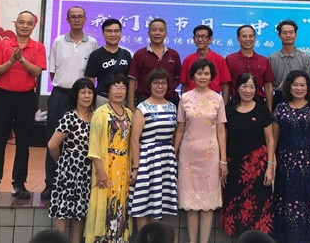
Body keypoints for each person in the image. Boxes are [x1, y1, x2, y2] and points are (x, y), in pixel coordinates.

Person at [0, 10, 47, 202]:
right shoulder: (4, 44)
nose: (25, 26)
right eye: (21, 22)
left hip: (26, 98)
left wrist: (22, 59)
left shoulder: (38, 47)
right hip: (4, 97)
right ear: (15, 24)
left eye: (29, 23)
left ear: (34, 26)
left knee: (23, 143)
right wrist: (10, 61)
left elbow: (36, 72)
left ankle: (19, 183)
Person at [43, 6, 98, 200]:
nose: (76, 19)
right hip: (60, 94)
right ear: (67, 20)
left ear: (85, 19)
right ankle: (51, 183)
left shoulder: (92, 43)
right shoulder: (58, 42)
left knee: (81, 141)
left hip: (82, 96)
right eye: (73, 17)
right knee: (54, 138)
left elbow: (92, 73)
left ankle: (79, 182)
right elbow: (52, 72)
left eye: (80, 16)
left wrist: (82, 94)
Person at [272, 70, 310, 243]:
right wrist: (272, 163)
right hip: (286, 167)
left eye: (303, 85)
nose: (299, 88)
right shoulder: (280, 109)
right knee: (288, 206)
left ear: (308, 87)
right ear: (289, 87)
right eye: (295, 85)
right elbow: (274, 139)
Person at [174, 58, 227, 243]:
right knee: (190, 206)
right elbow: (180, 128)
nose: (203, 77)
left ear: (212, 76)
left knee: (207, 206)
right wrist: (174, 152)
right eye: (199, 73)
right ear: (193, 76)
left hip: (210, 158)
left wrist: (223, 159)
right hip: (188, 157)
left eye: (206, 73)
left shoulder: (218, 99)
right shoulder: (185, 98)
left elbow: (221, 130)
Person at [220, 73, 274, 236]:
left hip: (258, 168)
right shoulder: (228, 110)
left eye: (252, 87)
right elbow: (224, 137)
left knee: (257, 208)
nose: (248, 91)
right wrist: (223, 162)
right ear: (237, 88)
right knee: (235, 206)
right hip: (234, 168)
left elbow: (270, 139)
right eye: (244, 86)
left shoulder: (262, 110)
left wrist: (270, 166)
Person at [84, 74, 133, 243]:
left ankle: (119, 239)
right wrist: (100, 170)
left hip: (124, 167)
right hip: (106, 166)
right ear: (108, 91)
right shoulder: (100, 113)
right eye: (115, 87)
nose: (119, 91)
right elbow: (94, 144)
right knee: (105, 204)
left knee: (121, 204)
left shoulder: (129, 114)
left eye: (122, 87)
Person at [128, 68, 178, 231]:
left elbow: (174, 135)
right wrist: (136, 167)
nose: (160, 86)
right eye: (156, 82)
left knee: (158, 202)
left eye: (163, 83)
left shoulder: (172, 107)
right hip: (147, 160)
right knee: (142, 202)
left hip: (165, 159)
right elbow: (134, 139)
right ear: (149, 85)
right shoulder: (142, 108)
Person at [47, 77, 95, 243]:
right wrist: (62, 162)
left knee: (81, 211)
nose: (87, 96)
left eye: (90, 92)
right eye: (83, 92)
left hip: (87, 171)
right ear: (76, 95)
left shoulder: (96, 117)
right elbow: (52, 145)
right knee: (63, 210)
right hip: (69, 171)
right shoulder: (69, 117)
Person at [129, 18, 181, 109]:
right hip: (144, 101)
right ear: (148, 33)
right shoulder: (139, 54)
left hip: (168, 102)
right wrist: (130, 105)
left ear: (166, 34)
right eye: (154, 30)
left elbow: (177, 78)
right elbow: (133, 81)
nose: (157, 33)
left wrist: (166, 90)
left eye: (161, 30)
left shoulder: (174, 54)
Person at [269, 19, 310, 110]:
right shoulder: (272, 58)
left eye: (291, 32)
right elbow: (269, 84)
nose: (288, 35)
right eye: (285, 33)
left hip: (300, 99)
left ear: (296, 35)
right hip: (279, 98)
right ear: (279, 35)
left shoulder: (304, 57)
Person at [226, 25, 274, 112]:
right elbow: (227, 85)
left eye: (251, 36)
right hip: (236, 104)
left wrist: (269, 109)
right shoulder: (230, 59)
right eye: (244, 36)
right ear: (238, 39)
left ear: (255, 38)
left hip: (259, 104)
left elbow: (268, 86)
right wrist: (224, 108)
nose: (248, 39)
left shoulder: (263, 60)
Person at [85, 18, 132, 107]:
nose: (113, 34)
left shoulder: (126, 54)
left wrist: (130, 102)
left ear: (120, 33)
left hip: (122, 99)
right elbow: (90, 81)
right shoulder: (96, 55)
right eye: (109, 31)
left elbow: (130, 80)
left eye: (116, 31)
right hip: (103, 98)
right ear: (103, 33)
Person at [180, 24, 231, 98]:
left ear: (210, 39)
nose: (200, 39)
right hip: (192, 100)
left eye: (203, 36)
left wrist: (224, 104)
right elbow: (184, 85)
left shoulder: (219, 59)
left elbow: (225, 85)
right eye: (197, 36)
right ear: (194, 39)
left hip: (213, 100)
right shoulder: (188, 60)